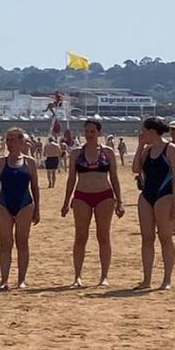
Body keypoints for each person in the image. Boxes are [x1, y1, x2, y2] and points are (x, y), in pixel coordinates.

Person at [59, 120, 124, 288]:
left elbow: (114, 178)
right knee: (81, 236)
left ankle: (104, 277)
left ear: (99, 133)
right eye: (86, 131)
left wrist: (120, 201)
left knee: (103, 236)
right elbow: (71, 179)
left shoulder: (107, 152)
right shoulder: (76, 153)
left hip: (104, 196)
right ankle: (77, 276)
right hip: (81, 196)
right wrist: (66, 202)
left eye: (92, 131)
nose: (89, 135)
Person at [131, 117, 175, 290]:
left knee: (165, 237)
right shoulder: (147, 150)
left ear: (152, 131)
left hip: (165, 195)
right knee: (147, 238)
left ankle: (167, 279)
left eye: (144, 131)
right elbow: (136, 169)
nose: (141, 133)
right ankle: (146, 279)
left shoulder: (171, 149)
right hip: (147, 195)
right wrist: (139, 146)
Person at [0, 128, 41, 290]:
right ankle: (4, 280)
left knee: (22, 242)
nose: (9, 143)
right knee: (5, 243)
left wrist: (37, 209)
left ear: (21, 142)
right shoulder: (0, 162)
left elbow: (35, 187)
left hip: (25, 205)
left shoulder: (30, 162)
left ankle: (21, 280)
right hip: (3, 204)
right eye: (7, 140)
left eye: (13, 140)